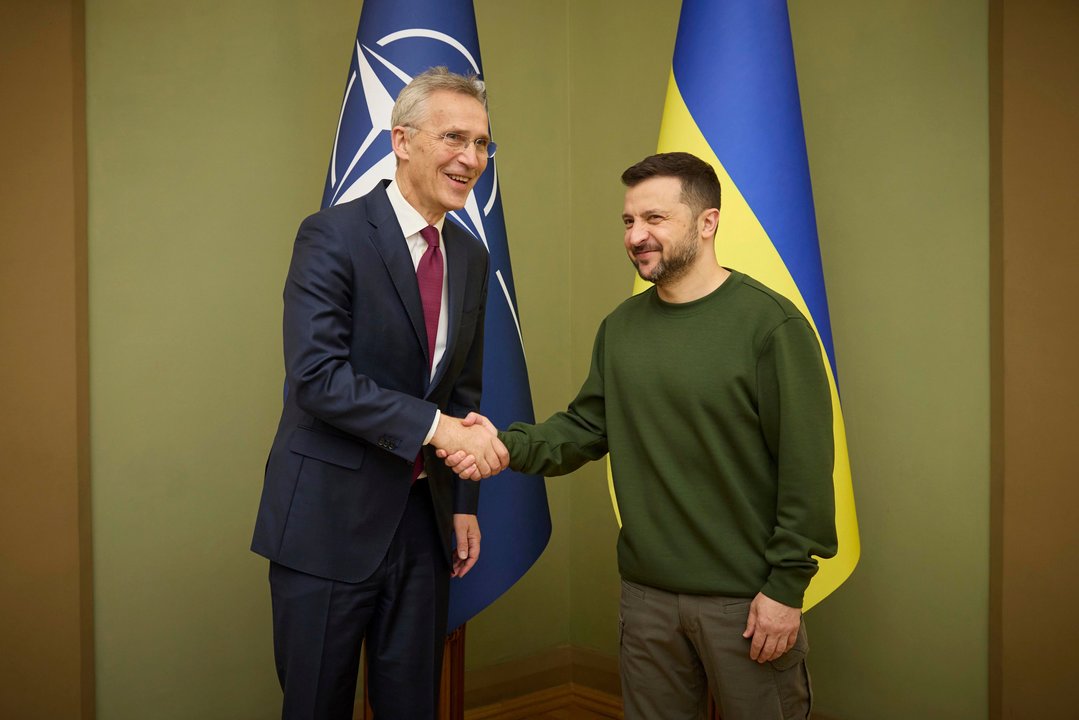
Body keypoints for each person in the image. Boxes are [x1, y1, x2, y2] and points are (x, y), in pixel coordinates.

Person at [442, 152, 838, 720]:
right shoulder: (621, 328)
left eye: (655, 219)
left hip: (748, 602)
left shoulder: (771, 328)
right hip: (646, 598)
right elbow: (584, 428)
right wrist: (504, 445)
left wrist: (785, 589)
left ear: (708, 222)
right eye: (629, 221)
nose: (637, 236)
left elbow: (805, 471)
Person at [251, 67, 509, 719]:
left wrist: (463, 501)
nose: (470, 158)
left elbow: (463, 391)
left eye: (482, 144)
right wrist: (436, 430)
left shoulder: (472, 259)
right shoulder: (330, 237)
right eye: (454, 137)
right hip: (326, 525)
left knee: (411, 705)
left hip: (424, 525)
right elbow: (317, 377)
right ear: (401, 141)